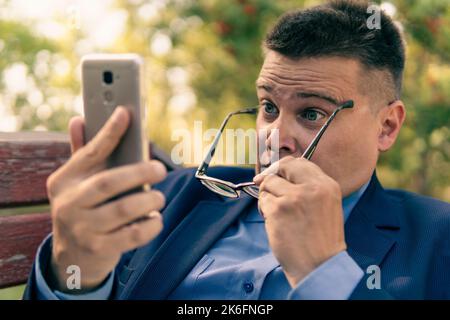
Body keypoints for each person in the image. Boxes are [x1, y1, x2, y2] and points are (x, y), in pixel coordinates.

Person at [24, 0, 450, 300]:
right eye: (268, 107)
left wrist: (325, 271)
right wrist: (73, 273)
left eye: (312, 114)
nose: (275, 135)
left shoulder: (437, 237)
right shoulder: (175, 196)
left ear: (387, 126)